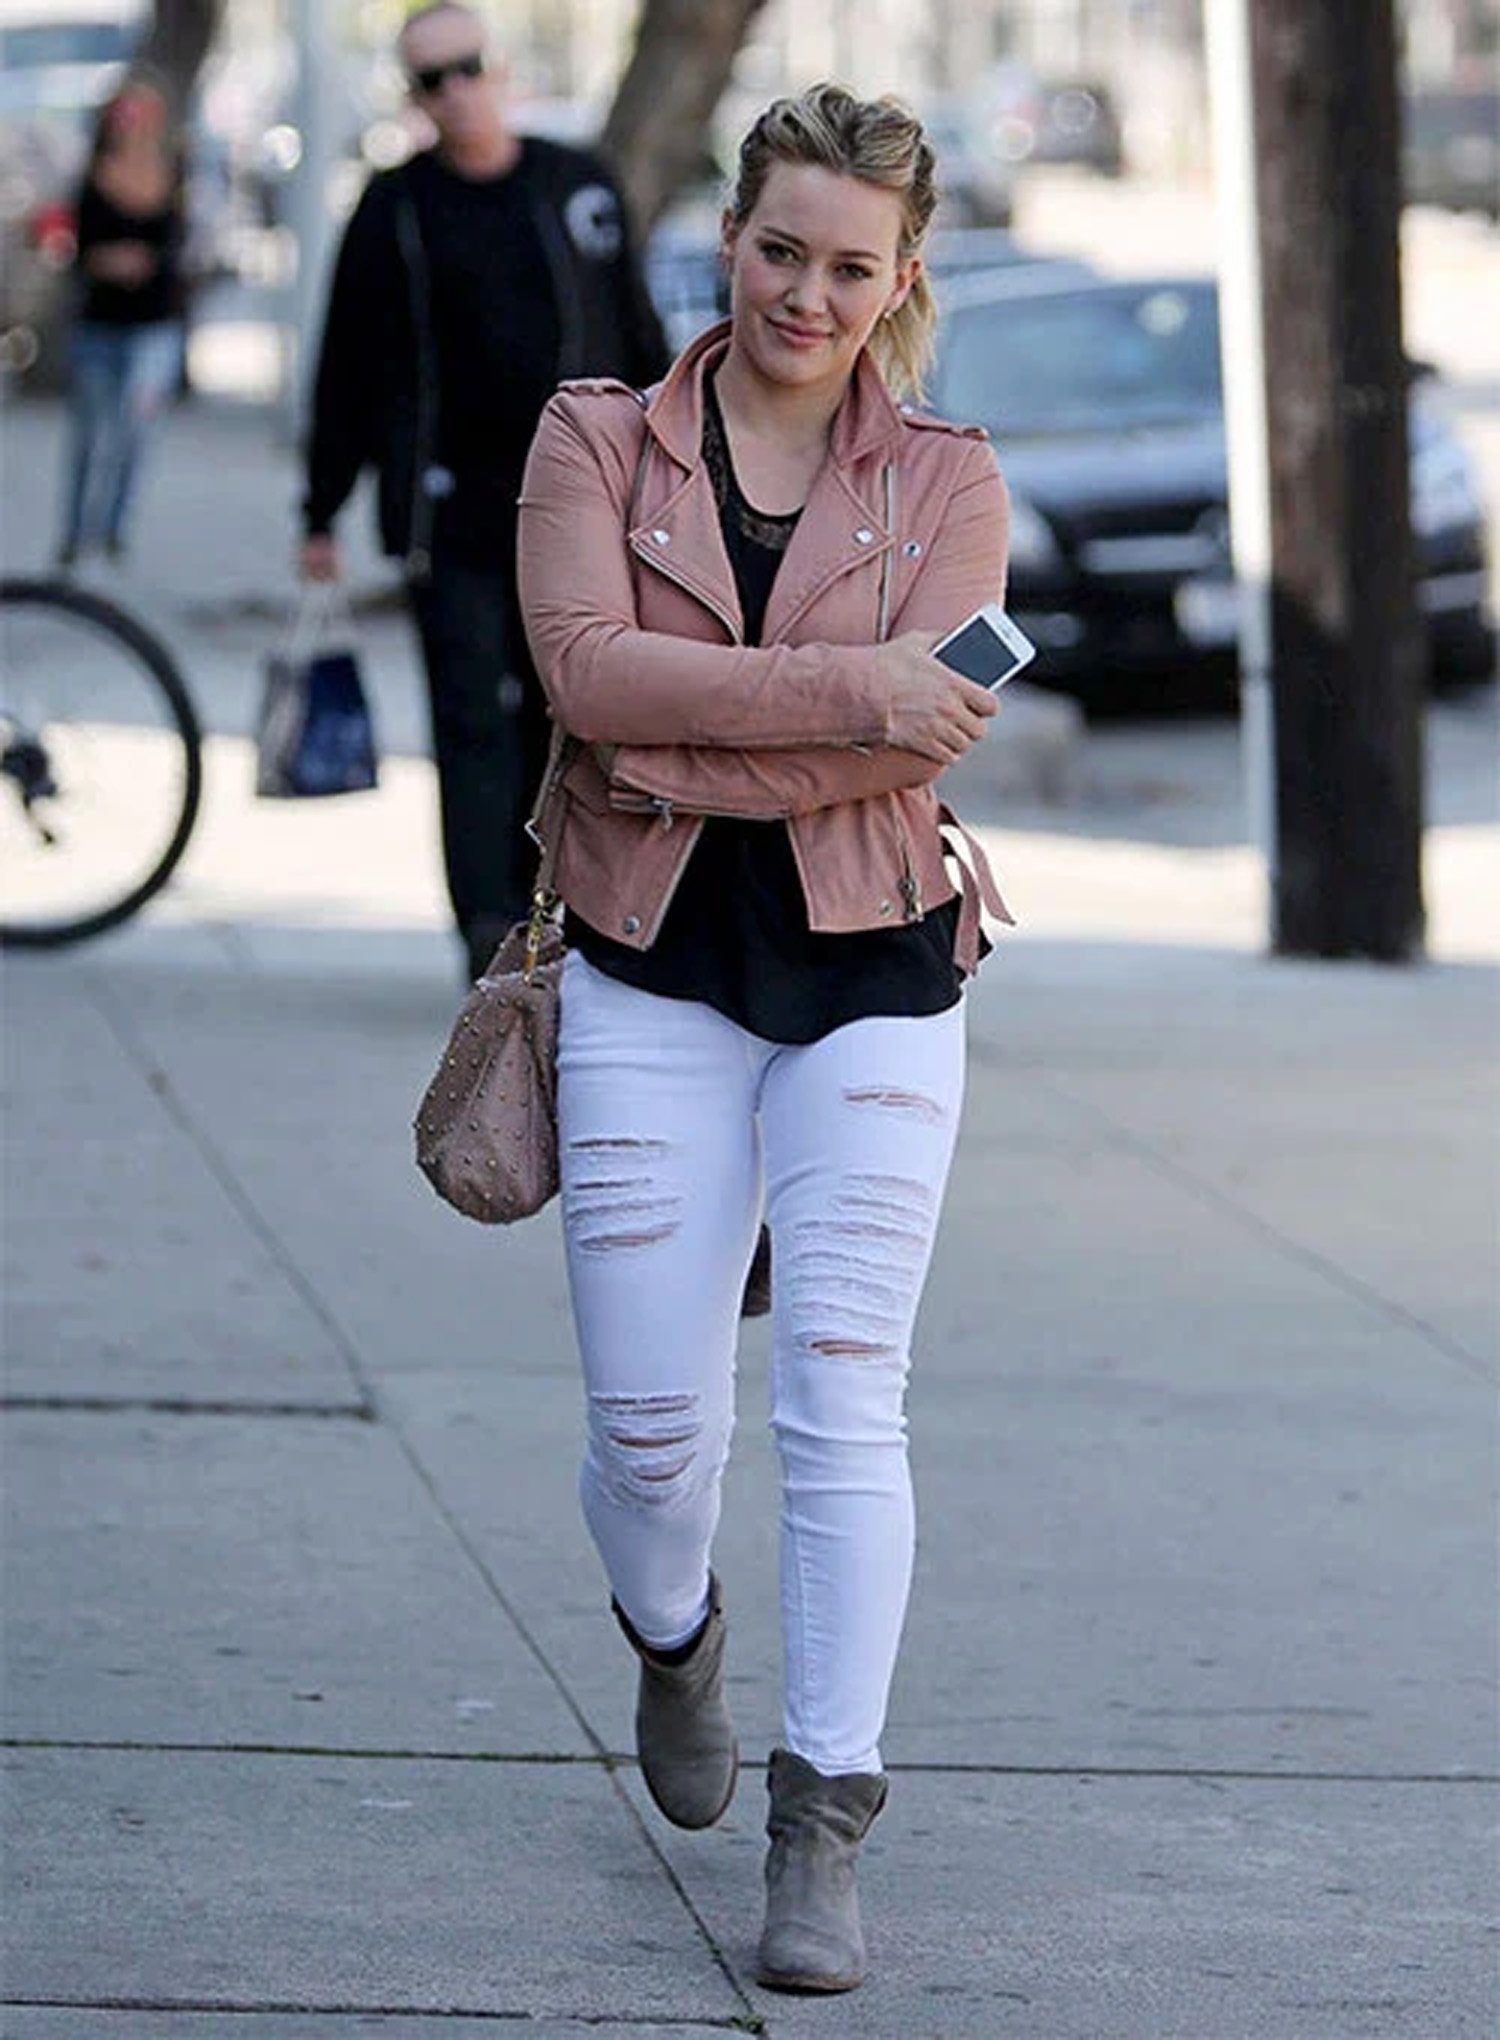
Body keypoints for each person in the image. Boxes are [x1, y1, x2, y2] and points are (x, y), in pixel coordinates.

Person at [517, 83, 1012, 1993]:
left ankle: (825, 1816)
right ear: (729, 241)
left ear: (902, 279)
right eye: (780, 251)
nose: (809, 295)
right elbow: (586, 677)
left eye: (851, 268)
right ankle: (673, 1636)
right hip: (648, 967)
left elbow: (922, 735)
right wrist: (847, 695)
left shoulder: (948, 479)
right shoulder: (595, 438)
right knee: (651, 1435)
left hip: (879, 971)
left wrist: (696, 728)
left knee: (843, 1391)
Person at [298, 1, 667, 984]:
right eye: (432, 79)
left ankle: (553, 913)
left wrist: (678, 471)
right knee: (469, 719)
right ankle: (486, 923)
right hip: (451, 512)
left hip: (580, 514)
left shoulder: (577, 185)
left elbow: (638, 336)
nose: (457, 92)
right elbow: (347, 362)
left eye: (468, 67)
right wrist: (321, 507)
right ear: (414, 99)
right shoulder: (395, 208)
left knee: (562, 716)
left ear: (499, 70)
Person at [56, 73, 187, 570]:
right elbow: (79, 248)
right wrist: (106, 261)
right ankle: (76, 532)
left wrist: (148, 263)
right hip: (100, 323)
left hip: (153, 324)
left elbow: (178, 245)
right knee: (91, 436)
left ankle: (114, 530)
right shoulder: (93, 176)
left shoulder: (174, 172)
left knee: (135, 432)